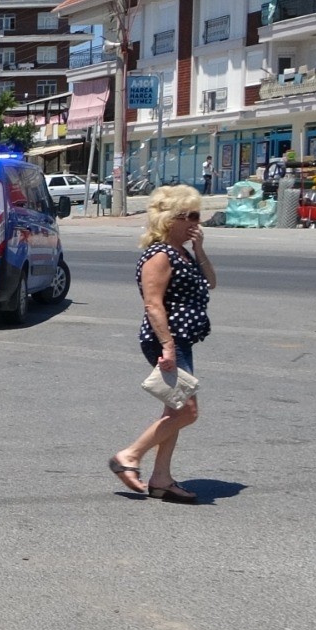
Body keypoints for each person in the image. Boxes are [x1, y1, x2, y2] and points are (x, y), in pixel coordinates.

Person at [108, 185, 216, 503]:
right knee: (188, 411)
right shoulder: (159, 255)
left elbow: (211, 280)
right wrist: (167, 347)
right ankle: (128, 456)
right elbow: (153, 304)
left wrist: (200, 251)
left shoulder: (183, 253)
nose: (198, 222)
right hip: (167, 342)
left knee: (175, 411)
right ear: (171, 219)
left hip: (182, 341)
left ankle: (161, 479)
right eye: (191, 216)